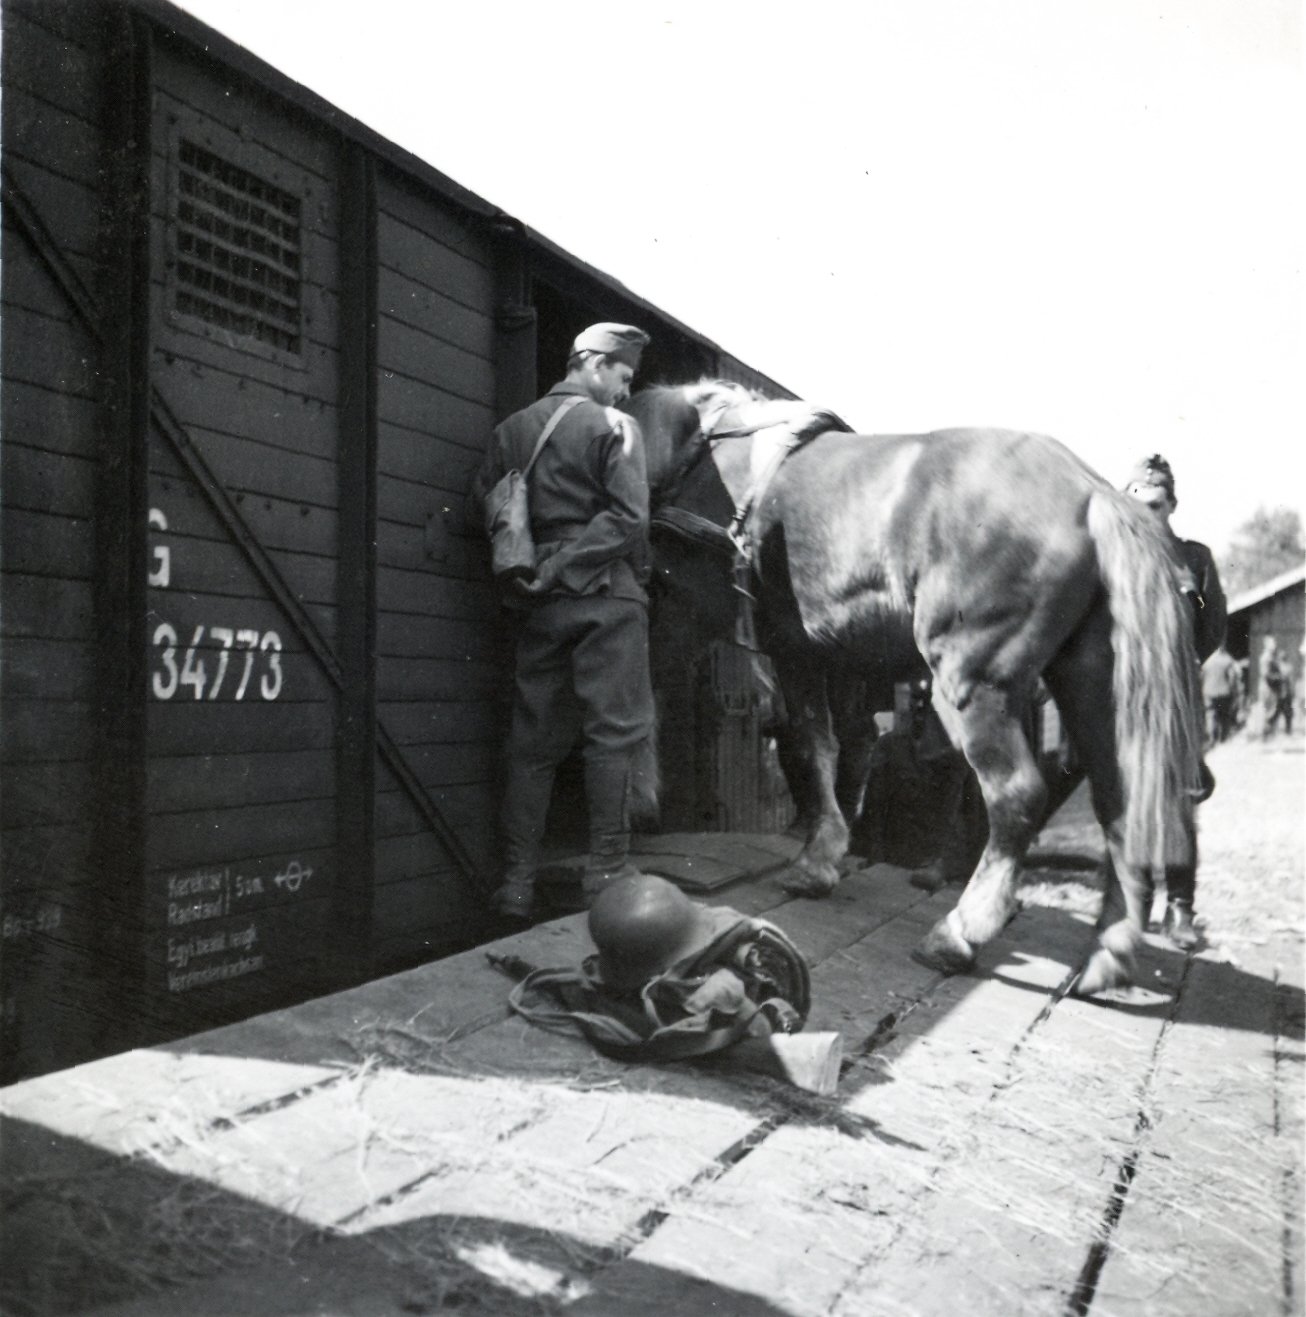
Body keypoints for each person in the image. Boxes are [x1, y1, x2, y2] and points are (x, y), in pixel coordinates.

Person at [470, 323, 655, 920]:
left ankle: (517, 881)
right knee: (616, 731)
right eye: (623, 377)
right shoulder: (613, 428)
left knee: (532, 742)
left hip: (535, 597)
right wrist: (571, 565)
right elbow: (629, 519)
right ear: (594, 364)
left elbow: (492, 509)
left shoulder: (510, 431)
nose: (626, 393)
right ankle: (606, 874)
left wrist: (540, 570)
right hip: (604, 594)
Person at [1123, 454, 1227, 950]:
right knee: (1133, 799)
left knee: (1179, 802)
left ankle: (1180, 910)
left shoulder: (1195, 561)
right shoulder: (1113, 562)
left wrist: (1178, 666)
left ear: (1172, 505)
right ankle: (1135, 904)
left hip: (1178, 696)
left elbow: (1211, 625)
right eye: (1136, 503)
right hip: (1129, 695)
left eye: (1156, 503)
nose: (1147, 513)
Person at [1202, 644, 1241, 745]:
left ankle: (1212, 737)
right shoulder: (1228, 661)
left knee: (1211, 715)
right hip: (1224, 693)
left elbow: (1202, 676)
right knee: (1224, 716)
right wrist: (1234, 692)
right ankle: (1223, 739)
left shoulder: (1208, 661)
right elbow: (1232, 678)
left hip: (1209, 692)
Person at [1259, 635, 1295, 736]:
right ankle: (1266, 737)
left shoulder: (1270, 657)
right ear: (1267, 645)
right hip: (1269, 690)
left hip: (1273, 690)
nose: (1274, 645)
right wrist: (1280, 677)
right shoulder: (1266, 658)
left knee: (1274, 712)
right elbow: (1266, 675)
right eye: (1272, 643)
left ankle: (1269, 736)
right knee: (1271, 713)